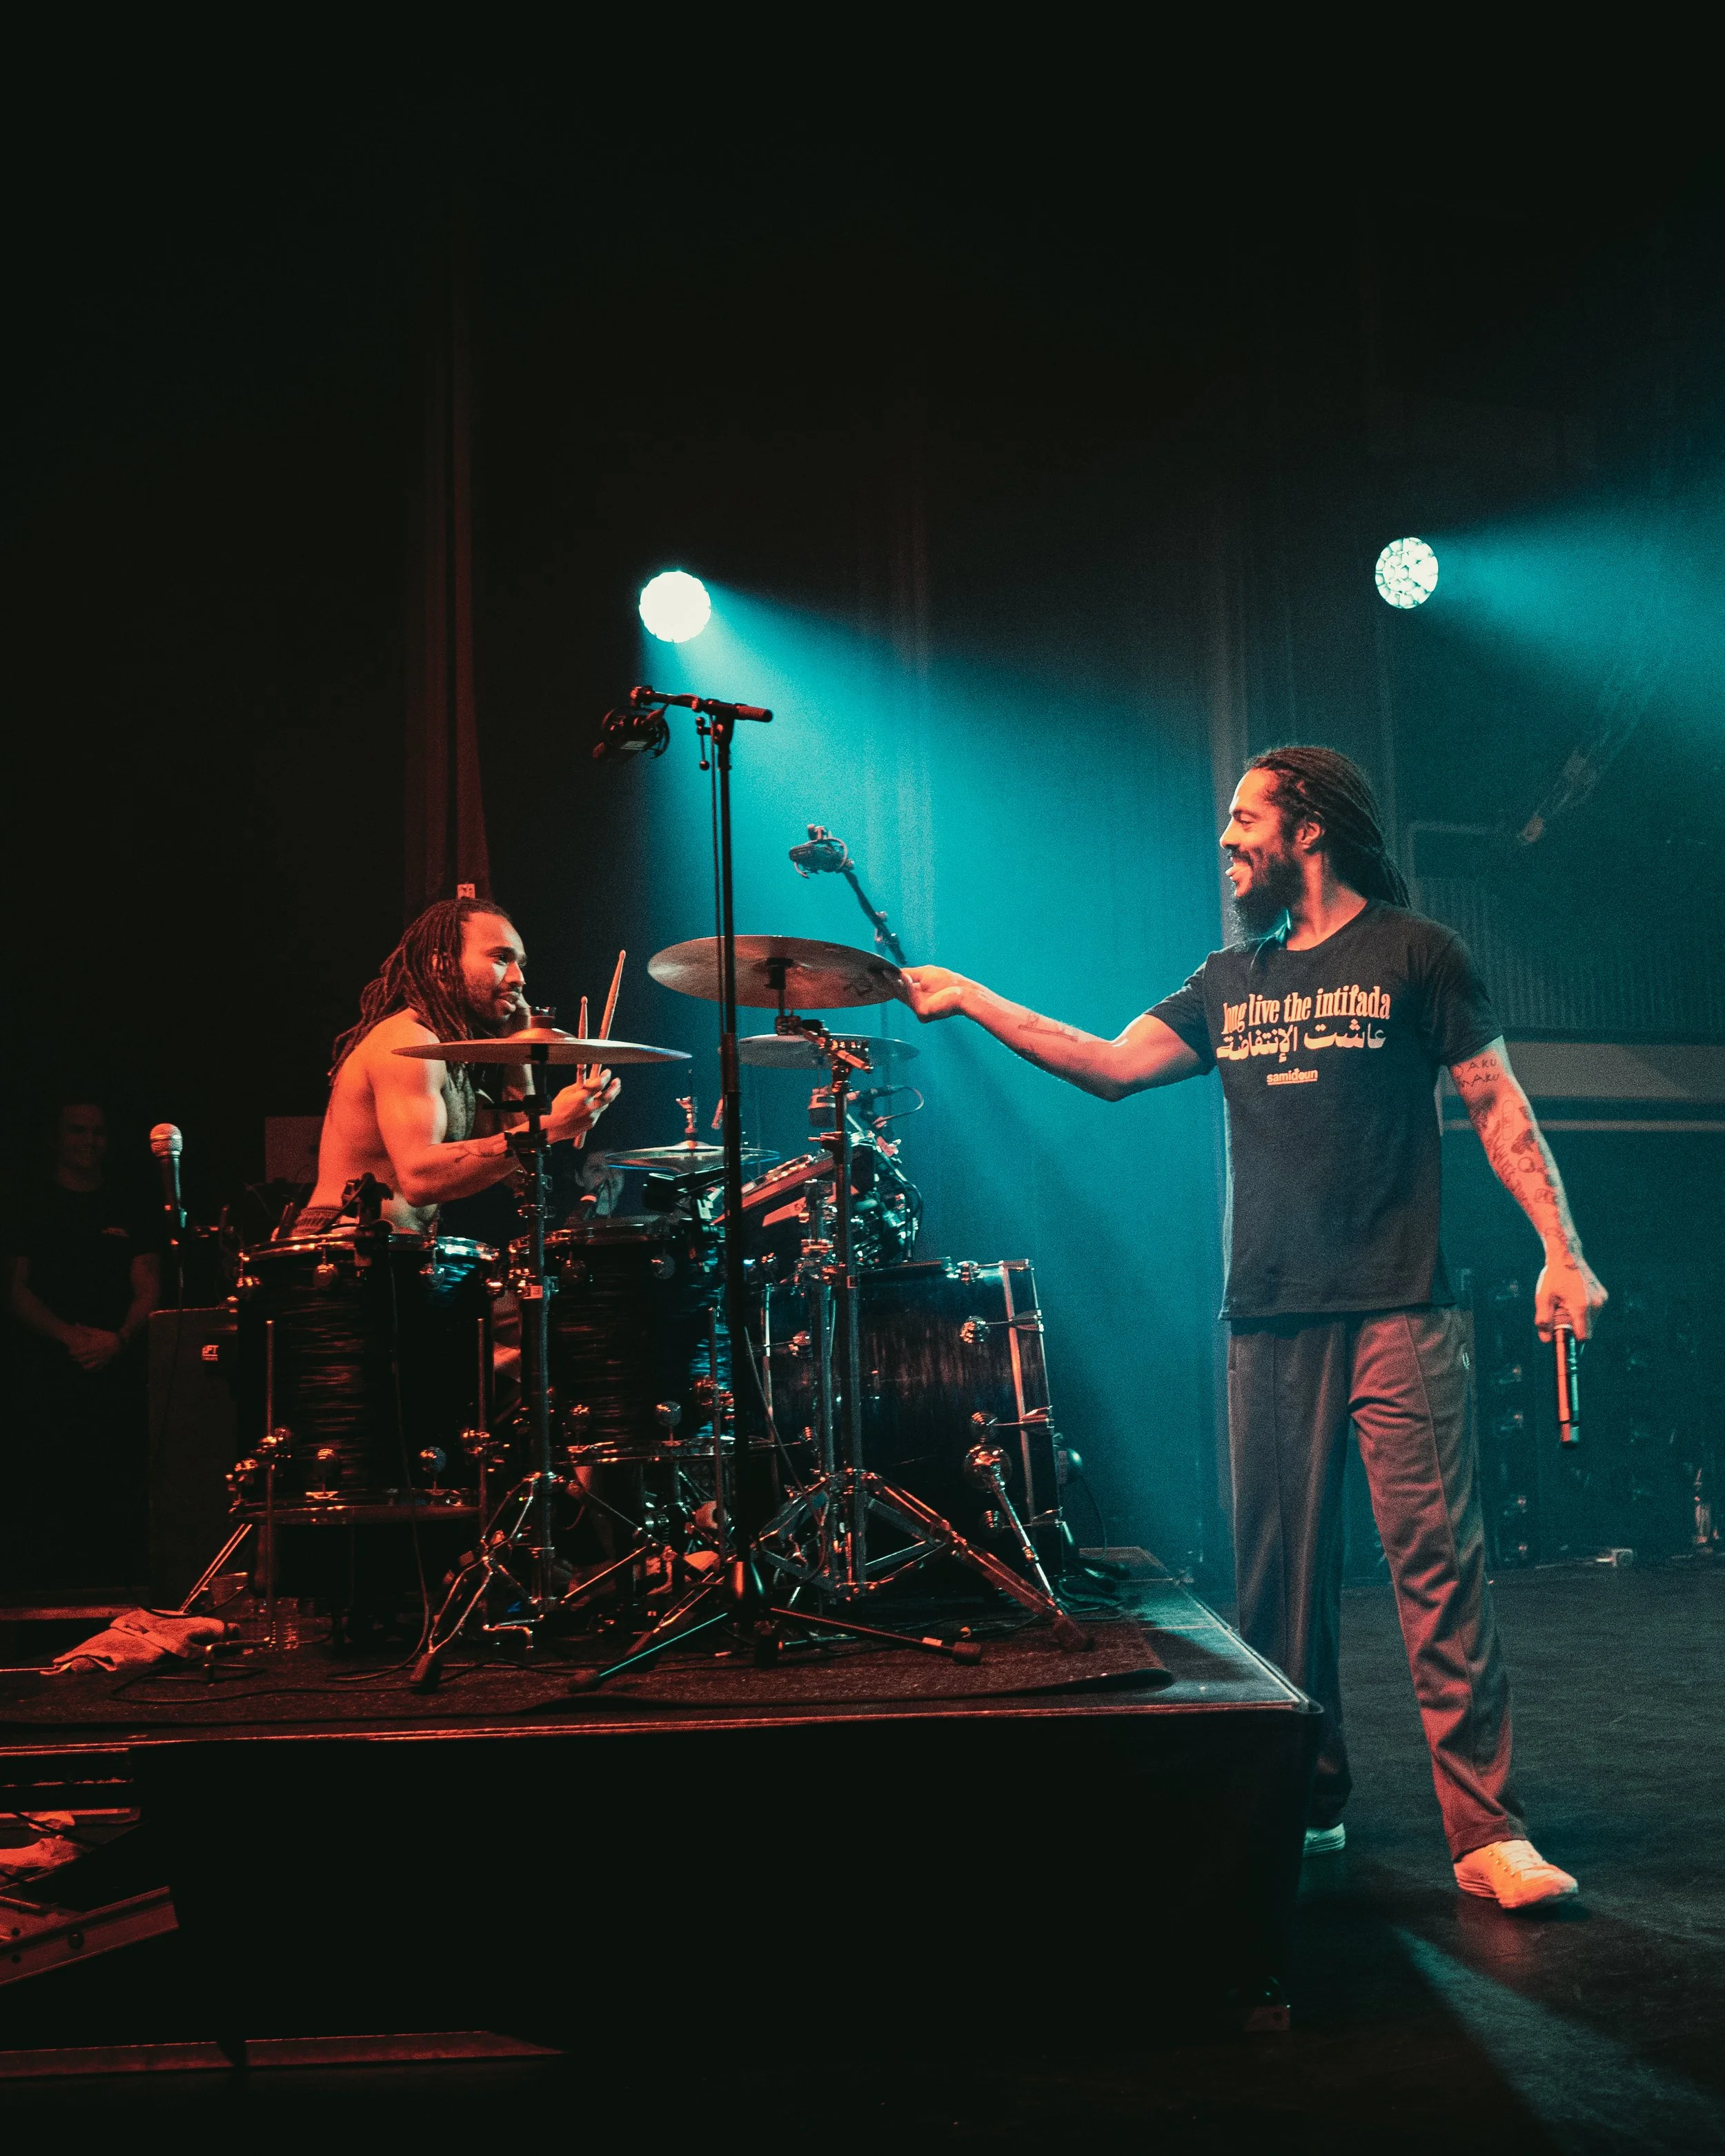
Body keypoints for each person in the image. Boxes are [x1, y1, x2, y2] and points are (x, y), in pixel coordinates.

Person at [902, 744, 1605, 1912]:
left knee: (1439, 1565)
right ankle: (1303, 1798)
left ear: (1309, 827)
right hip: (1269, 1311)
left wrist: (1563, 1251)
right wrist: (971, 996)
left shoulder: (1419, 954)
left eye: (1244, 819)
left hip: (1399, 1304)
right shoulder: (1228, 982)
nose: (1227, 841)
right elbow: (1113, 1066)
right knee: (1278, 1584)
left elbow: (1495, 1101)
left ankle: (1486, 1830)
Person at [294, 895, 620, 1237]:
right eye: (501, 958)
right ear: (443, 965)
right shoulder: (406, 1042)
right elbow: (419, 1179)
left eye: (520, 963)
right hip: (340, 1249)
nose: (519, 978)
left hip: (401, 1250)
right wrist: (549, 1128)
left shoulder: (458, 1059)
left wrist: (518, 1053)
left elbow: (519, 1174)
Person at [5, 1100, 161, 1588]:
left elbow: (150, 1284)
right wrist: (68, 1335)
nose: (89, 1141)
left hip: (117, 1373)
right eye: (78, 1130)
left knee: (116, 1493)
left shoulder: (129, 1201)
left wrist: (119, 1339)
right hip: (45, 1376)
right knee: (49, 1496)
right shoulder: (28, 1200)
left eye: (98, 1132)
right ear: (56, 1138)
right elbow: (12, 1286)